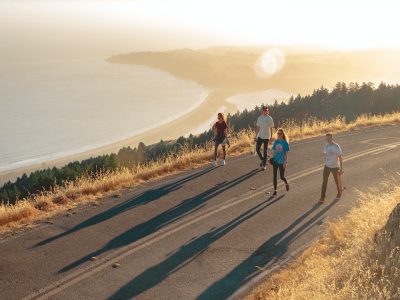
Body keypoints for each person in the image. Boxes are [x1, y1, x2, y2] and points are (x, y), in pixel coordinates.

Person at [319, 133, 343, 203]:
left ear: (332, 138)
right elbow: (325, 154)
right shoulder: (326, 146)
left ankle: (339, 192)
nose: (327, 140)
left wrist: (341, 168)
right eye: (326, 139)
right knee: (324, 182)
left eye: (329, 139)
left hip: (335, 167)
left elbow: (340, 157)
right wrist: (325, 159)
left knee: (337, 181)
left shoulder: (336, 146)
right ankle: (322, 197)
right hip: (327, 166)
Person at [269, 128, 290, 196]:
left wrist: (285, 162)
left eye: (280, 133)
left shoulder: (285, 143)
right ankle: (275, 190)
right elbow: (274, 151)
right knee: (274, 176)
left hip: (282, 161)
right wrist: (271, 157)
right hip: (276, 160)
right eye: (278, 133)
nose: (279, 135)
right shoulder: (276, 142)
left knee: (281, 177)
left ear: (282, 134)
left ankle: (286, 183)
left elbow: (286, 154)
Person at [255, 106, 274, 170]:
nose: (266, 111)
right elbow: (258, 127)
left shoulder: (270, 118)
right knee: (257, 149)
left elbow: (271, 128)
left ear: (268, 111)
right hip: (260, 136)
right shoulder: (259, 118)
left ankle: (264, 165)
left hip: (266, 137)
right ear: (262, 111)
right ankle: (263, 160)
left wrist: (271, 137)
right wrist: (255, 136)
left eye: (267, 110)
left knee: (265, 151)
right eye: (265, 110)